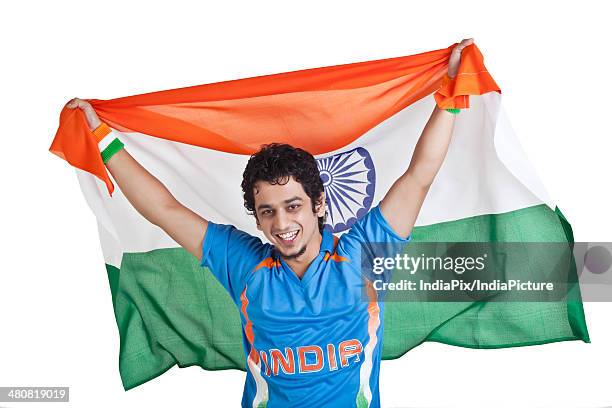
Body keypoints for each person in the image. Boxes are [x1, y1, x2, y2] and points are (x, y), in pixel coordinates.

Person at [67, 38, 474, 408]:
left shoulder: (364, 253)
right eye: (268, 211)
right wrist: (102, 137)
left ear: (318, 203)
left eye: (293, 205)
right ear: (258, 219)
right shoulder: (243, 263)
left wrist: (451, 95)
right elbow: (164, 209)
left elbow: (419, 175)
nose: (282, 222)